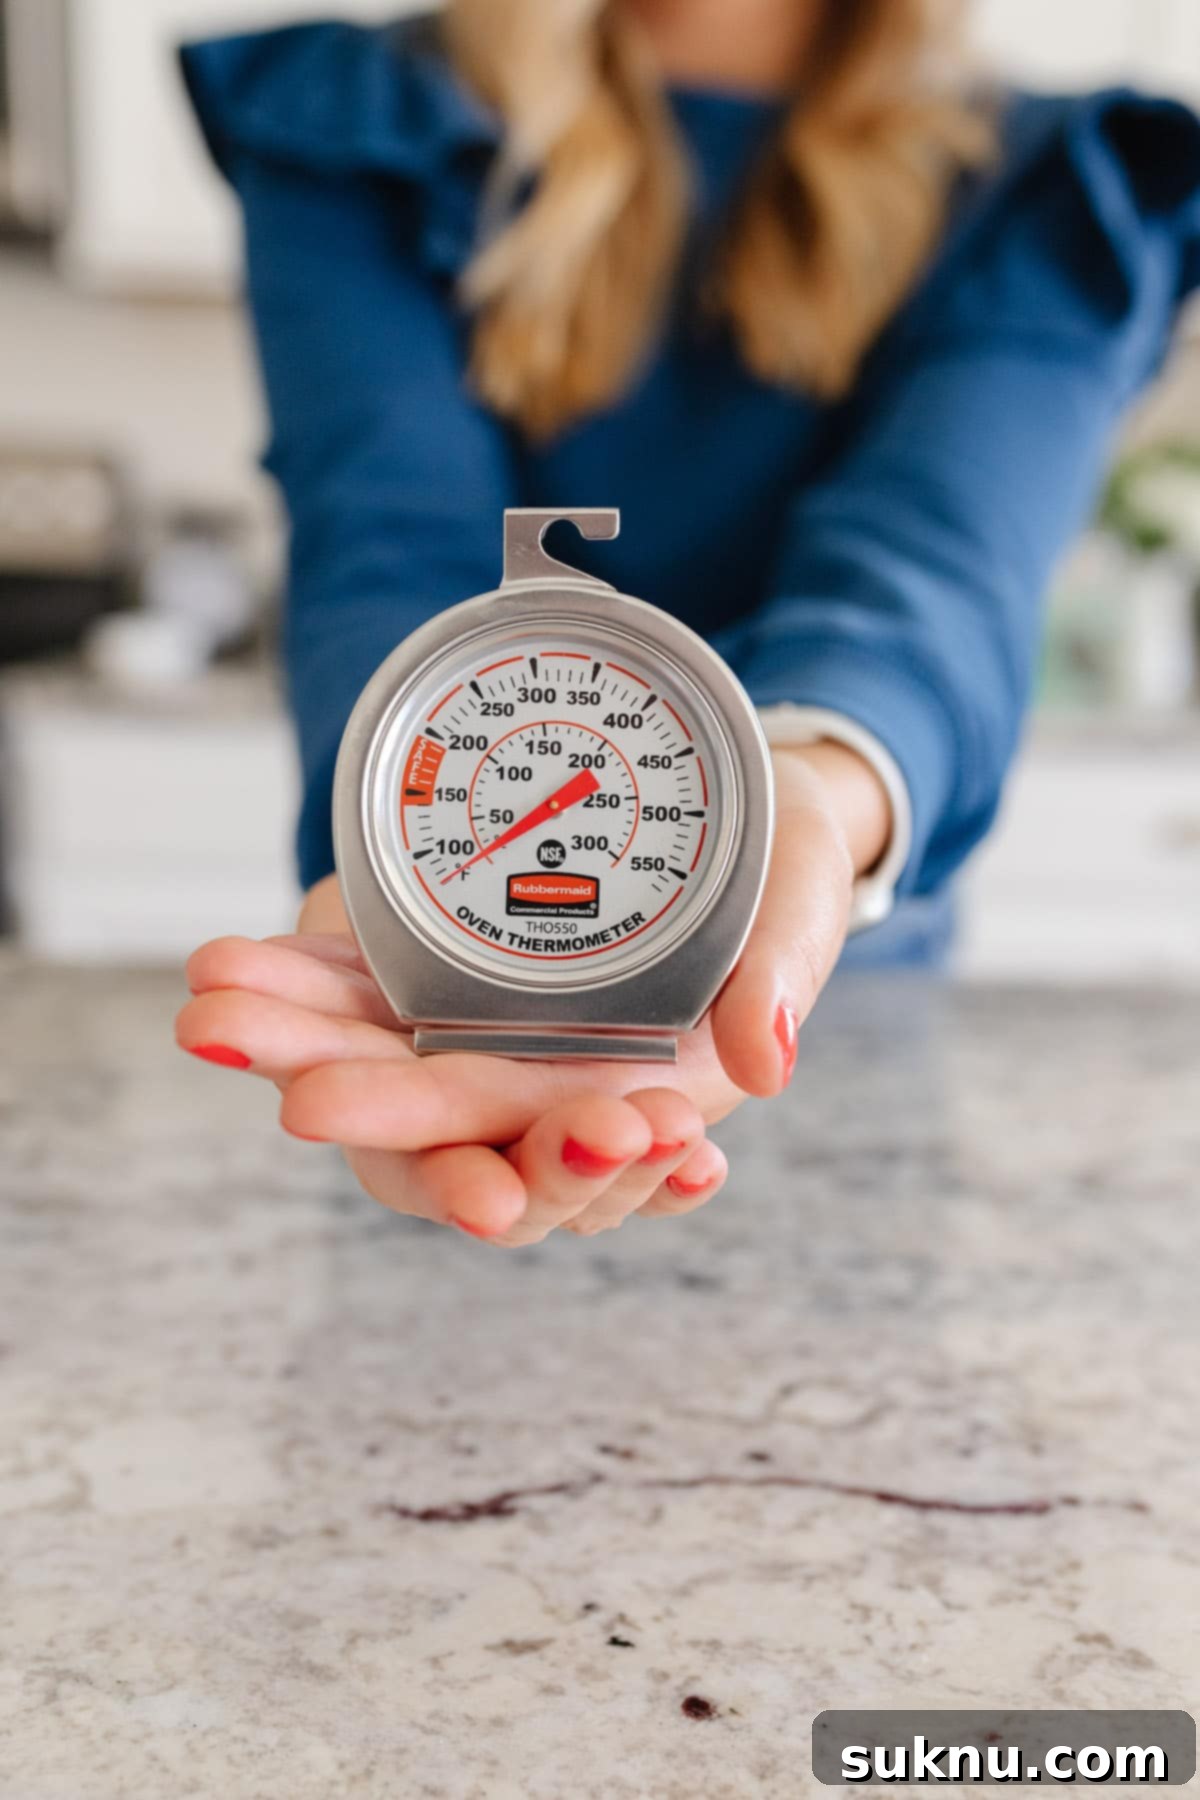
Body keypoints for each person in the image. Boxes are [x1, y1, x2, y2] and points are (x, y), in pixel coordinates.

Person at [173, 0, 1200, 1245]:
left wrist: (806, 794)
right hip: (442, 945)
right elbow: (389, 546)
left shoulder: (1063, 183)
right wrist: (409, 890)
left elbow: (937, 566)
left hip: (830, 1015)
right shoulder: (351, 120)